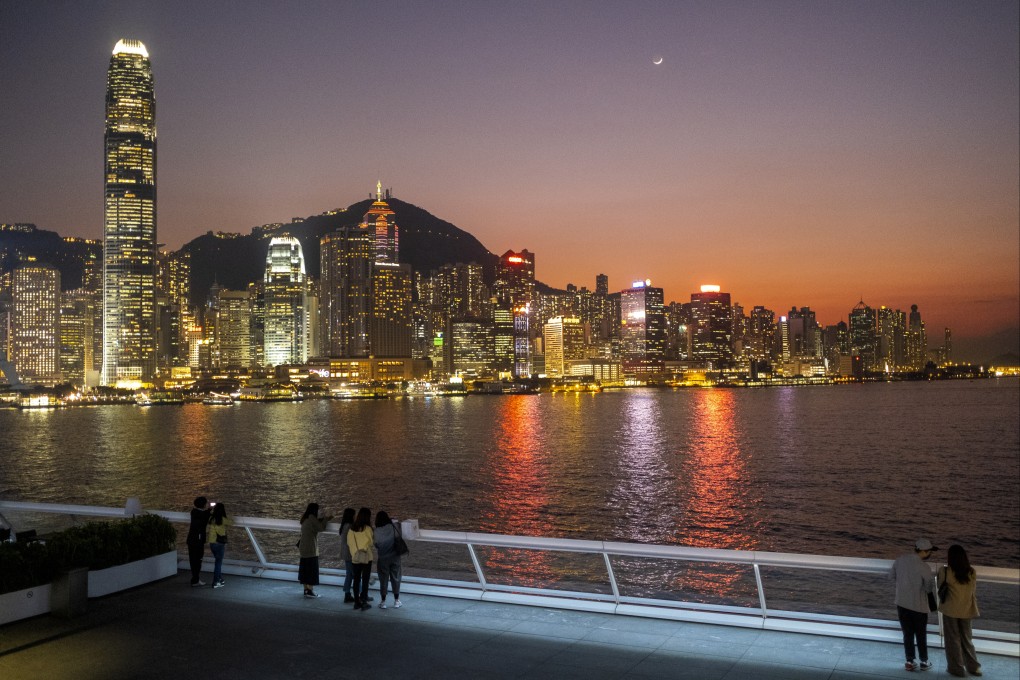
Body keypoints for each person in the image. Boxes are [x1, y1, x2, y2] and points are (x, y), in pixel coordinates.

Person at [892, 538, 937, 672]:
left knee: (907, 633)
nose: (930, 554)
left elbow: (892, 576)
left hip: (901, 603)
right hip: (919, 606)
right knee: (921, 634)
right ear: (923, 551)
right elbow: (929, 588)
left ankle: (909, 661)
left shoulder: (900, 560)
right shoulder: (924, 567)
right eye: (929, 551)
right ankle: (924, 661)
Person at [939, 544, 982, 677]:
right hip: (966, 610)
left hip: (950, 609)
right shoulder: (971, 572)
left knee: (953, 640)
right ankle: (973, 667)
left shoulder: (945, 571)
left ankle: (956, 668)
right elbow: (972, 591)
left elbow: (940, 587)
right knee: (967, 639)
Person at [298, 503, 332, 598]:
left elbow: (314, 525)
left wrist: (321, 520)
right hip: (310, 548)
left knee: (304, 569)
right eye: (318, 510)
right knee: (312, 569)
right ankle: (310, 590)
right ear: (314, 510)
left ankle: (305, 590)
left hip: (303, 547)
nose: (319, 512)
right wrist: (326, 519)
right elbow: (321, 528)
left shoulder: (305, 518)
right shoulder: (312, 518)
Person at [373, 510, 403, 609]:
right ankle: (396, 600)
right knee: (396, 578)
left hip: (383, 558)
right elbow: (399, 535)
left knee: (383, 580)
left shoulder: (376, 531)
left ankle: (383, 601)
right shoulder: (392, 527)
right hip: (395, 557)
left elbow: (376, 544)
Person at [346, 507, 374, 610]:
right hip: (367, 557)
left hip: (355, 558)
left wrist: (355, 552)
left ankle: (356, 602)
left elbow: (349, 543)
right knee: (365, 580)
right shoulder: (368, 529)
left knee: (356, 580)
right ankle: (364, 602)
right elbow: (371, 543)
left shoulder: (351, 530)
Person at [186, 496, 211, 587]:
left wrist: (208, 510)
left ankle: (195, 579)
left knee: (193, 560)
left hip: (191, 540)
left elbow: (203, 514)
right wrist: (210, 509)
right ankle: (195, 580)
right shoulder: (203, 514)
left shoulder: (194, 512)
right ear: (203, 504)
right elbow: (205, 518)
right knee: (198, 560)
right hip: (198, 541)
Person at [206, 502, 231, 588]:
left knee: (217, 561)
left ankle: (220, 579)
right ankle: (215, 582)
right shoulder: (223, 519)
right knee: (218, 563)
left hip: (212, 543)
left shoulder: (211, 518)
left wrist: (210, 509)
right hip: (220, 543)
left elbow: (207, 516)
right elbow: (232, 522)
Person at [338, 507, 356, 603]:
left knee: (350, 574)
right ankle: (349, 593)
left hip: (345, 553)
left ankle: (348, 593)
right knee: (352, 574)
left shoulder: (344, 525)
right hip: (350, 554)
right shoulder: (350, 526)